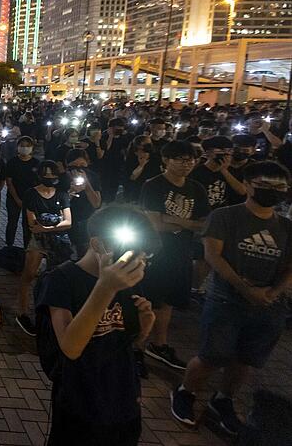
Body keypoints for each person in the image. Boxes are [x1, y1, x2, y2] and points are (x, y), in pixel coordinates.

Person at [171, 161, 292, 436]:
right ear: (248, 185)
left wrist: (272, 292)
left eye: (280, 187)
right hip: (226, 299)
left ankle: (223, 399)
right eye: (265, 186)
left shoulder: (286, 226)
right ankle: (186, 392)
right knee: (211, 356)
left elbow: (290, 267)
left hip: (270, 304)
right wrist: (245, 288)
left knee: (245, 359)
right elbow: (213, 255)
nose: (274, 191)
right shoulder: (225, 216)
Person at [34, 205, 157, 445]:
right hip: (80, 403)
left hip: (124, 401)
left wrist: (144, 328)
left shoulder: (127, 281)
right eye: (134, 256)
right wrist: (106, 287)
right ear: (98, 244)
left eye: (144, 259)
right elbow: (70, 346)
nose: (140, 265)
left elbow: (128, 342)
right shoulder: (60, 280)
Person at [140, 141, 210, 371]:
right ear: (166, 161)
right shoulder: (153, 186)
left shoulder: (197, 189)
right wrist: (185, 224)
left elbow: (203, 225)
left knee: (168, 301)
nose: (186, 164)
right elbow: (154, 224)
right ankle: (136, 348)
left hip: (181, 253)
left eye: (190, 159)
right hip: (154, 251)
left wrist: (174, 220)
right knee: (146, 300)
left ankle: (159, 344)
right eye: (180, 159)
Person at [16, 160, 72, 336]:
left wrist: (48, 227)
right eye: (46, 174)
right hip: (38, 239)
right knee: (29, 274)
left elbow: (69, 221)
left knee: (55, 277)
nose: (50, 177)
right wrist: (55, 224)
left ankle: (50, 314)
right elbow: (33, 223)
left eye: (53, 174)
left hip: (57, 240)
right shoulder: (31, 194)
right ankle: (22, 312)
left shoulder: (62, 194)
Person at [4, 136, 40, 247]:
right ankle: (9, 246)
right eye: (22, 146)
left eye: (27, 146)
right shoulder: (12, 162)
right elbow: (9, 182)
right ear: (18, 147)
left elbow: (38, 183)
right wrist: (17, 199)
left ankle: (27, 249)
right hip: (14, 198)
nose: (24, 148)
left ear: (32, 148)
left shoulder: (36, 163)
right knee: (12, 223)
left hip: (30, 200)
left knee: (28, 225)